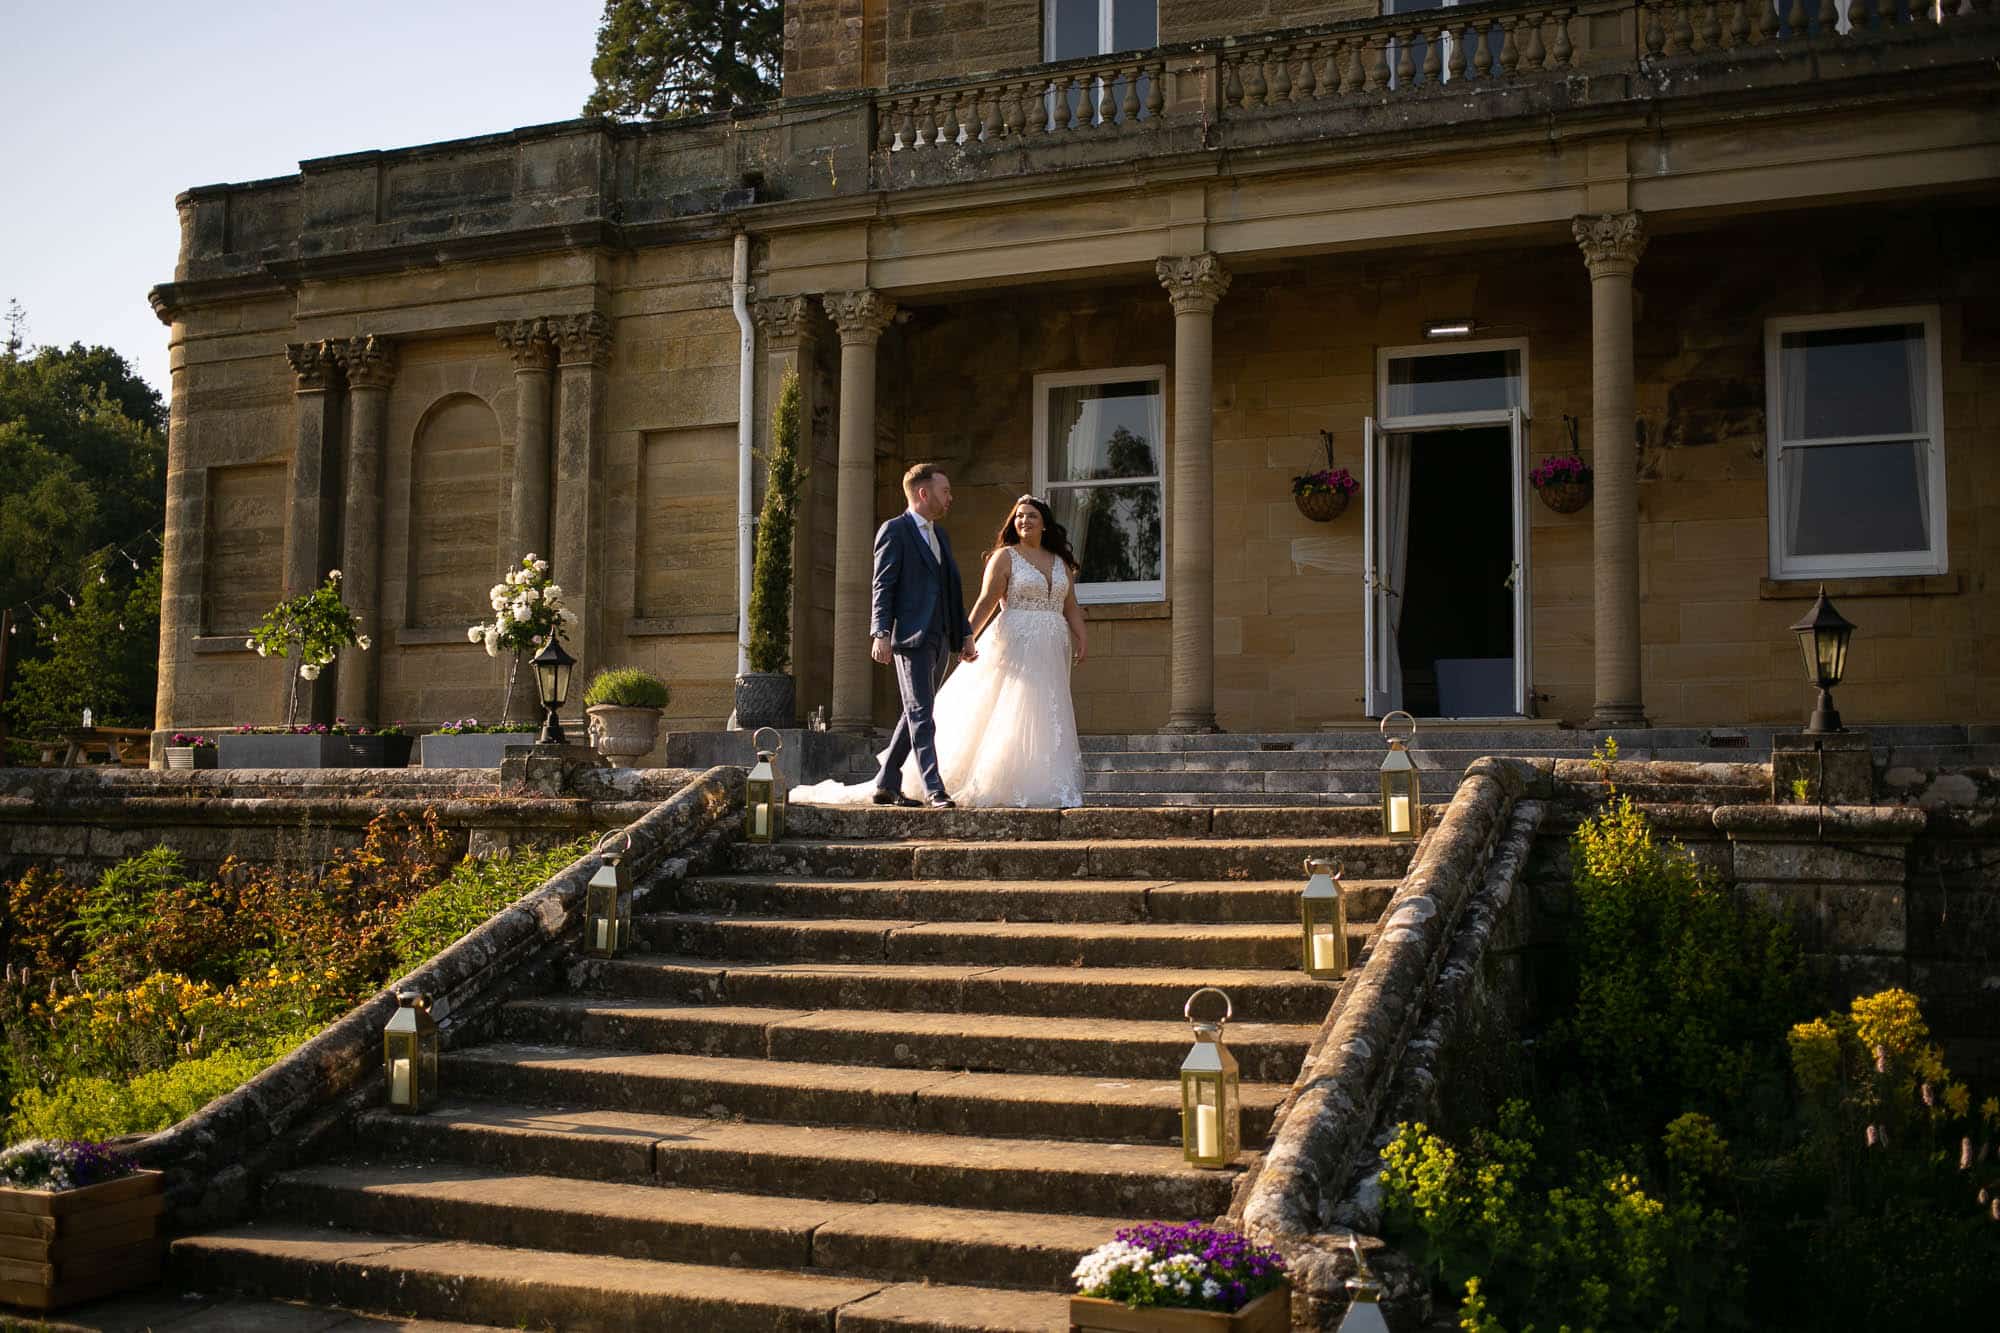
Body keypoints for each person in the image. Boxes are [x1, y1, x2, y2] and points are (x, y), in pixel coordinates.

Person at [791, 489, 1088, 809]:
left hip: (1052, 647)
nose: (1024, 520)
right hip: (1014, 642)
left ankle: (1045, 782)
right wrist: (966, 636)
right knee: (1010, 709)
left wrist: (1081, 636)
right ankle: (990, 782)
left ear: (1045, 523)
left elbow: (1070, 605)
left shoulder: (1060, 563)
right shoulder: (1006, 557)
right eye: (1018, 516)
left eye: (1031, 515)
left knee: (1048, 711)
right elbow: (986, 602)